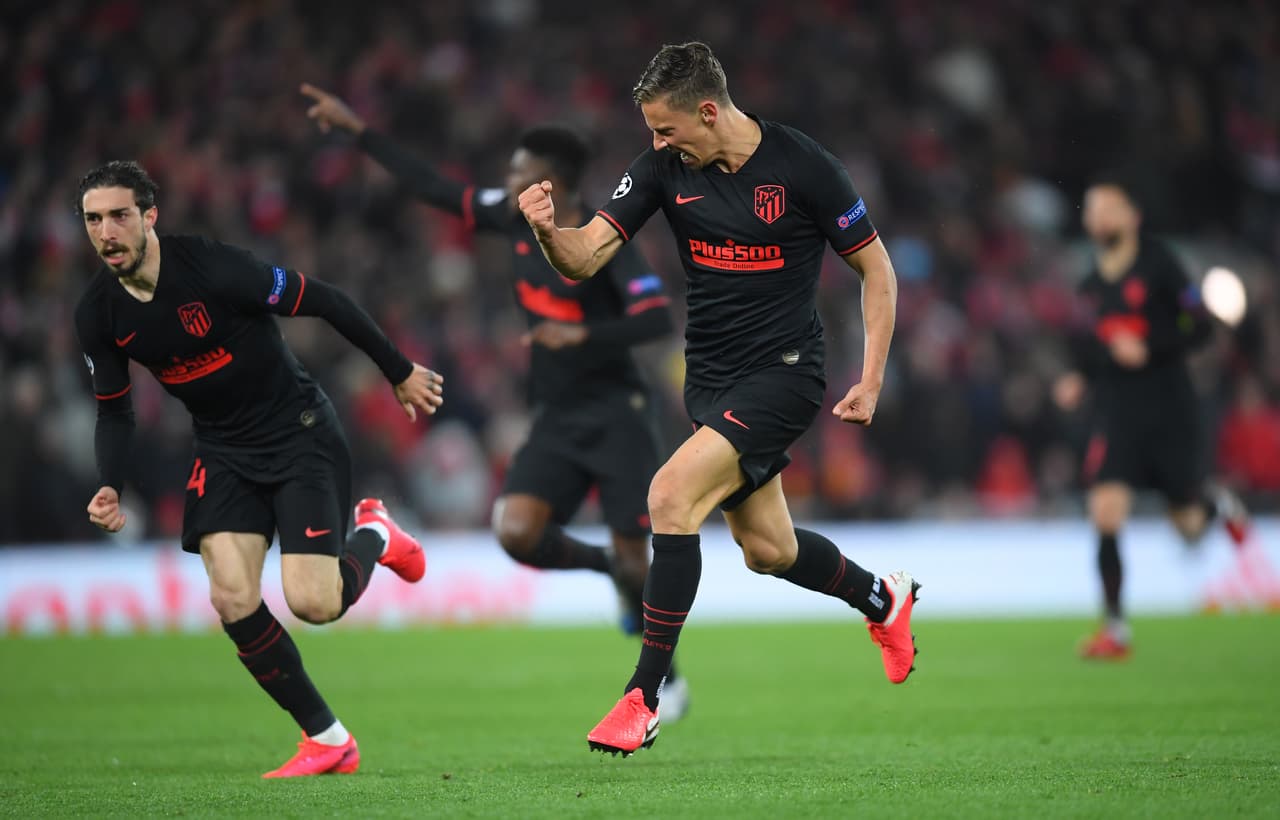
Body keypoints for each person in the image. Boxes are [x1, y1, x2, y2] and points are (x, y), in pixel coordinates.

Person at [516, 42, 918, 756]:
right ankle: (884, 599)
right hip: (710, 380)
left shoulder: (804, 166)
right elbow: (584, 258)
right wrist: (548, 232)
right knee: (768, 550)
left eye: (666, 129)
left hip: (786, 374)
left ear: (708, 111)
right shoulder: (661, 172)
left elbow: (876, 270)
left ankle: (644, 697)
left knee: (670, 495)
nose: (656, 142)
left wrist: (872, 375)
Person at [298, 84, 692, 717]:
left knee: (637, 558)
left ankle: (666, 680)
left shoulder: (605, 236)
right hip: (558, 416)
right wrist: (358, 131)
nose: (507, 180)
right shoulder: (513, 217)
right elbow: (434, 189)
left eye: (520, 172)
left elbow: (654, 320)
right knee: (515, 531)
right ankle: (612, 574)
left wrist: (580, 332)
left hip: (620, 414)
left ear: (554, 184)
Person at [73, 160, 444, 777]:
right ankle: (327, 738)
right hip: (222, 450)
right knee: (232, 595)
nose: (106, 231)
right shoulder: (98, 314)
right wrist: (110, 483)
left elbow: (325, 300)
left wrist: (399, 370)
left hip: (299, 435)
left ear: (149, 216)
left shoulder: (214, 268)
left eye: (118, 215)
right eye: (92, 219)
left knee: (315, 603)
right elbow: (114, 413)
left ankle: (375, 532)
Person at [1053, 176, 1251, 660]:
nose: (1099, 218)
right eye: (1092, 210)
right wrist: (1079, 376)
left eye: (1109, 209)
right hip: (1120, 414)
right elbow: (1096, 349)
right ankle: (1115, 630)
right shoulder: (1091, 286)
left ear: (1131, 217)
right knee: (1105, 511)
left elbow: (1200, 326)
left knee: (1185, 523)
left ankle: (1214, 505)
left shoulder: (1161, 265)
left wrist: (1151, 347)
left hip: (1170, 410)